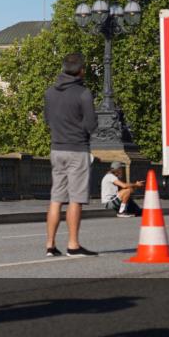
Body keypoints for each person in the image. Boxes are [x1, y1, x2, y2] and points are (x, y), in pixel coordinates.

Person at [43, 53, 99, 257]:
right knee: (76, 198)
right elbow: (91, 125)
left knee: (56, 198)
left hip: (56, 149)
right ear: (81, 70)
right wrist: (81, 128)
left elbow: (47, 120)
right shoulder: (84, 93)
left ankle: (50, 245)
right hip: (77, 149)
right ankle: (73, 245)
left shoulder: (50, 92)